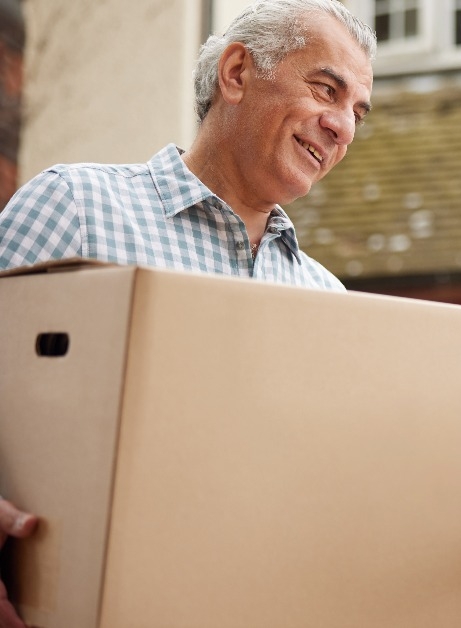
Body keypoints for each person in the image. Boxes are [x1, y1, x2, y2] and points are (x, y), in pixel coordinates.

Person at [0, 1, 375, 625]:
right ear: (235, 73)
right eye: (325, 89)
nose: (343, 126)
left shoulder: (327, 300)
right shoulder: (77, 205)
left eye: (357, 112)